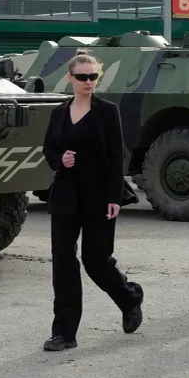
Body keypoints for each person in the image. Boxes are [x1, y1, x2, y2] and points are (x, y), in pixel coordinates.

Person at [41, 49, 144, 351]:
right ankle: (64, 332)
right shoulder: (59, 112)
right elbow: (48, 151)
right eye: (82, 77)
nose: (88, 82)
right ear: (70, 78)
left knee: (96, 261)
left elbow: (116, 156)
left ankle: (129, 298)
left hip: (99, 195)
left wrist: (115, 196)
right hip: (65, 195)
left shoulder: (107, 110)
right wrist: (61, 159)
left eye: (93, 77)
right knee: (63, 261)